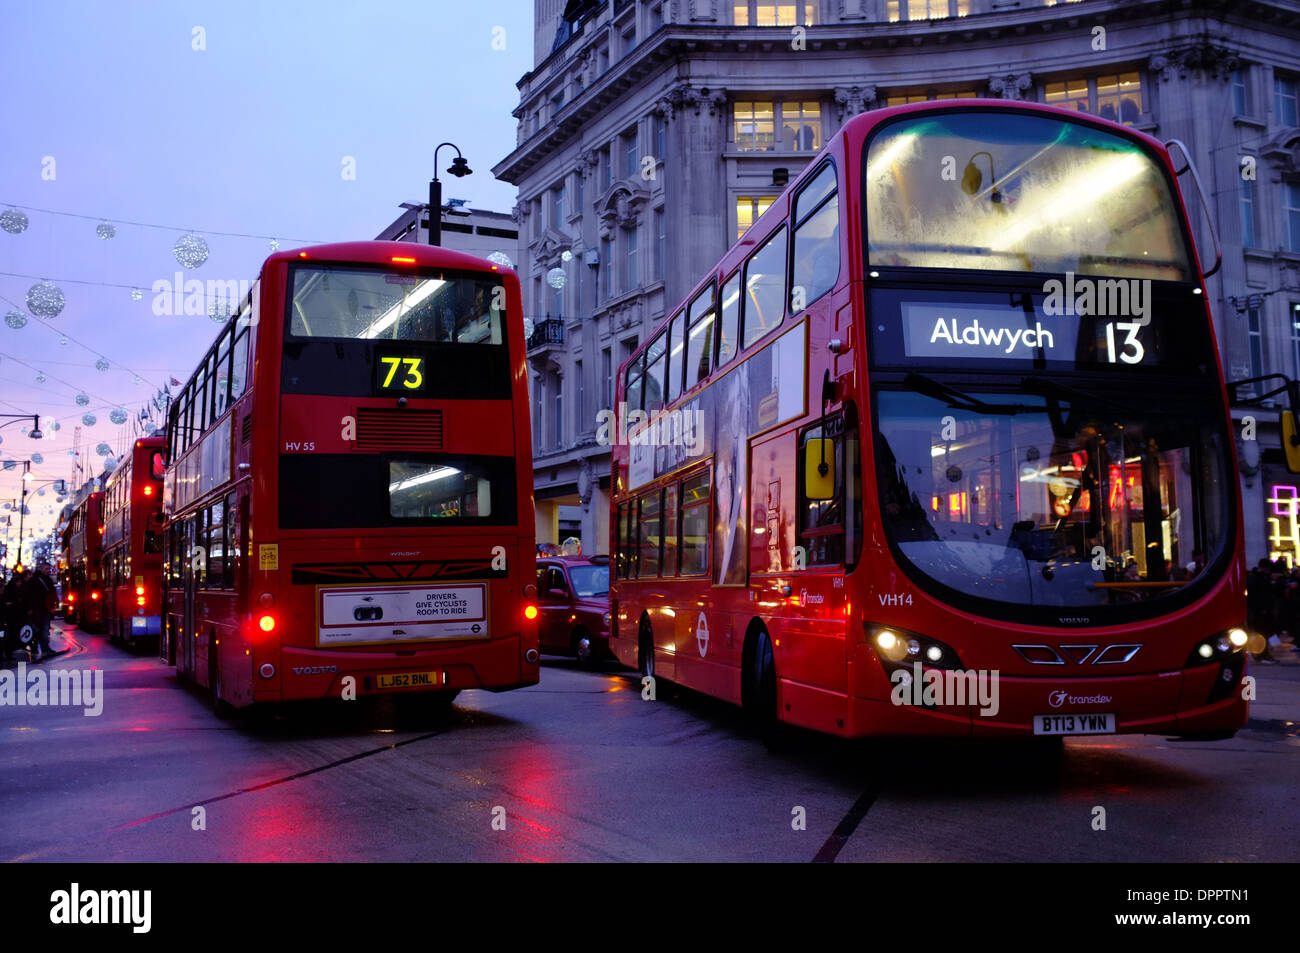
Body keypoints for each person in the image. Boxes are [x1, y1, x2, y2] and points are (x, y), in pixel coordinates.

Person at [24, 561, 56, 661]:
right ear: (41, 568)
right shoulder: (35, 580)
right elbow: (28, 596)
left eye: (49, 569)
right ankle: (40, 649)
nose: (48, 571)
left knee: (44, 630)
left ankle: (44, 649)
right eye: (46, 569)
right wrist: (30, 608)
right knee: (39, 630)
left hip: (44, 608)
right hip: (37, 609)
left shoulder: (44, 580)